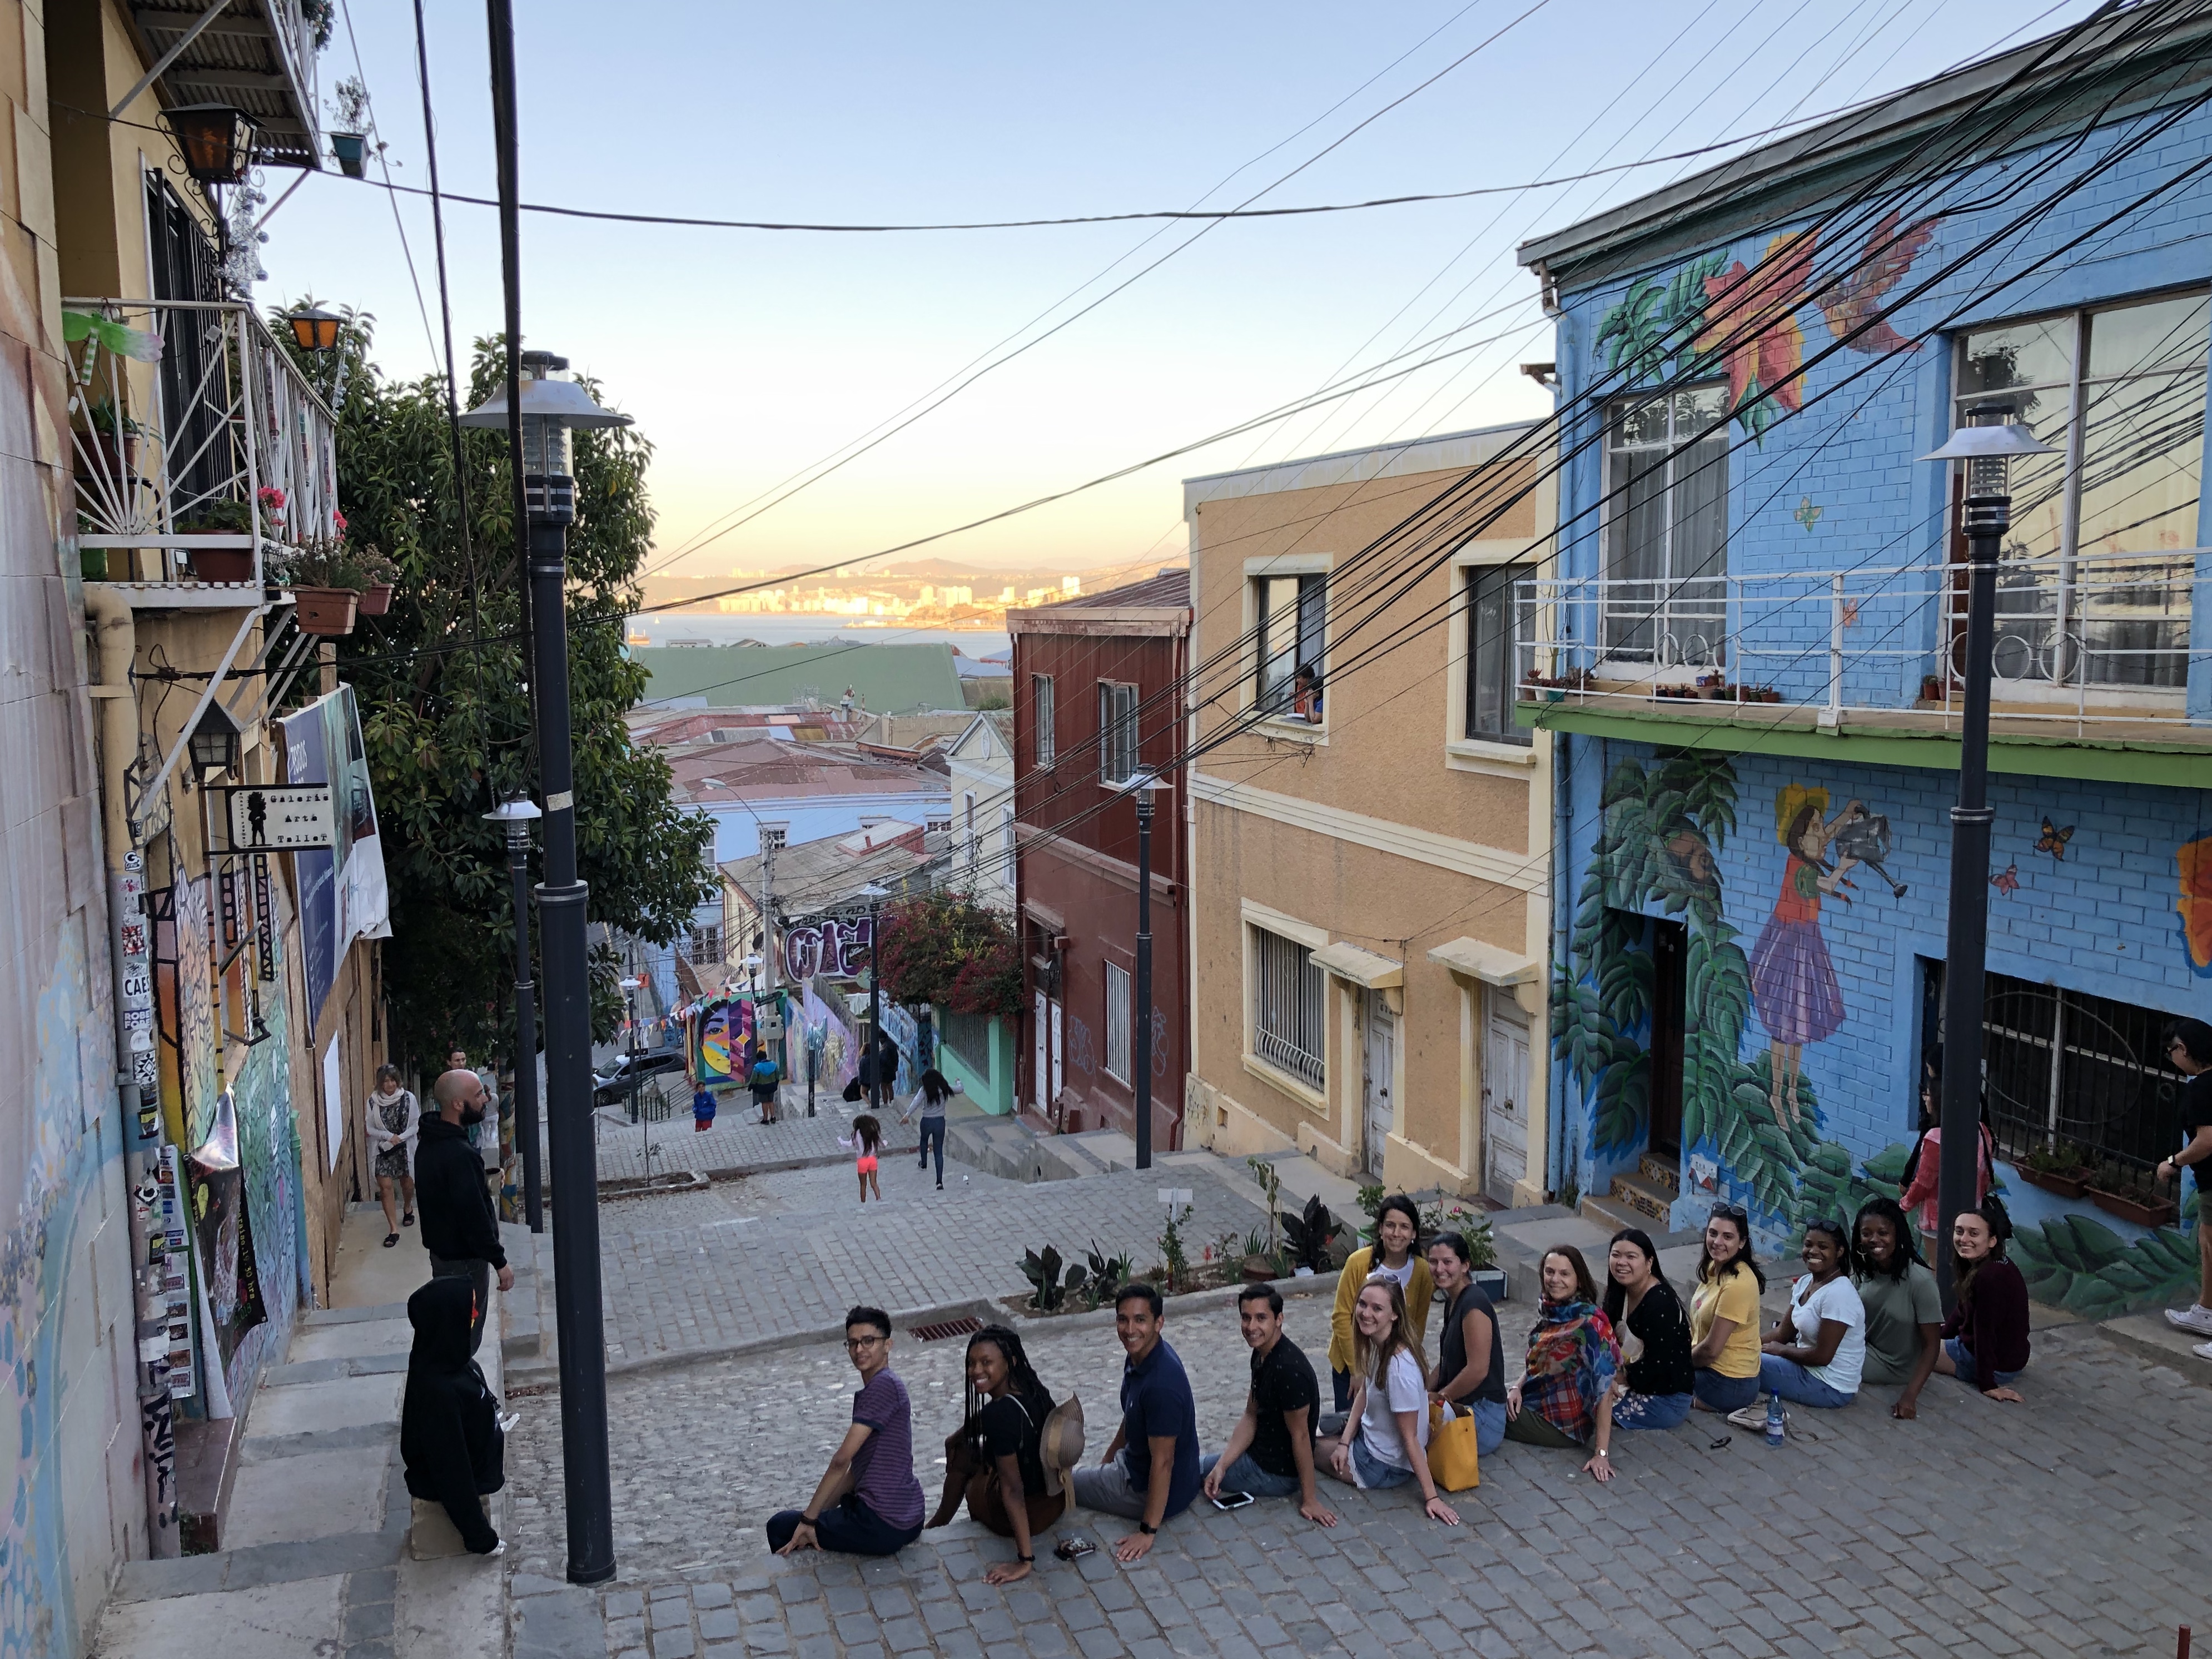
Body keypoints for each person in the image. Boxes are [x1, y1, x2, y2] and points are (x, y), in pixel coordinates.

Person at [768, 1307, 927, 1556]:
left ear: (888, 1345)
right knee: (806, 1522)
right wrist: (816, 1516)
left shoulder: (883, 1385)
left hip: (882, 1523)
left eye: (868, 1341)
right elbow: (857, 1472)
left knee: (779, 1526)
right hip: (909, 1515)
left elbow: (842, 1460)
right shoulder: (885, 1385)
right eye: (853, 1343)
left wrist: (808, 1521)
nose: (859, 1350)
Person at [1749, 793, 1865, 1126]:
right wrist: (1845, 864)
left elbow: (1824, 836)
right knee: (1783, 1024)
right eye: (1814, 827)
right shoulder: (1800, 869)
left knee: (1799, 1024)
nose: (1823, 835)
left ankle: (1791, 1093)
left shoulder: (1806, 853)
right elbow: (1826, 884)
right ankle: (1776, 1092)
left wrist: (1845, 814)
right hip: (1788, 943)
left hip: (1806, 943)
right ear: (1800, 838)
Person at [1316, 1274, 1459, 1524]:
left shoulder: (1398, 1370)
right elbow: (1365, 1392)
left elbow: (1411, 1437)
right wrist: (1345, 1442)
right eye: (1363, 1304)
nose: (1366, 1313)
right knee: (1314, 1430)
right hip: (1370, 1439)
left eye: (1377, 1308)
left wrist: (1432, 1497)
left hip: (1382, 1464)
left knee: (1303, 1445)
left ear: (1394, 1315)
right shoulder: (1381, 1343)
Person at [1073, 1283, 1200, 1561]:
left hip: (1145, 1488)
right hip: (1164, 1473)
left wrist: (1147, 1530)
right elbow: (1132, 1418)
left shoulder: (1161, 1385)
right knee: (1091, 1474)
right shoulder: (1141, 1356)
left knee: (1065, 1485)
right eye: (1123, 1319)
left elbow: (1163, 1462)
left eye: (1140, 1320)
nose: (1130, 1330)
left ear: (1159, 1323)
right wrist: (1107, 1461)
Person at [926, 1325, 1062, 1581]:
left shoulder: (999, 1416)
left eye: (986, 1362)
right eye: (972, 1363)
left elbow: (1013, 1489)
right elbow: (994, 1416)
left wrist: (1025, 1561)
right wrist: (960, 1435)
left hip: (1032, 1516)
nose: (977, 1371)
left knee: (965, 1460)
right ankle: (939, 1522)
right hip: (1054, 1502)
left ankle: (938, 1524)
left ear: (1009, 1362)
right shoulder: (1033, 1390)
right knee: (966, 1447)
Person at [1199, 1285, 1335, 1527]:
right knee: (1206, 1466)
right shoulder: (1262, 1353)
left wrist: (1310, 1499)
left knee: (1189, 1468)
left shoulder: (1288, 1370)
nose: (1251, 1327)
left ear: (1279, 1319)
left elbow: (1302, 1437)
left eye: (1261, 1318)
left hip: (1275, 1474)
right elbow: (1251, 1416)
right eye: (1246, 1318)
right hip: (1258, 1455)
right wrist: (1222, 1465)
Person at [399, 1275, 506, 1557]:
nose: (475, 1315)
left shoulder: (444, 1355)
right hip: (459, 1480)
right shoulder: (438, 1392)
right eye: (469, 1309)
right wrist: (482, 1537)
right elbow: (451, 1471)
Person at [1503, 1247, 1621, 1484]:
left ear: (1579, 1280)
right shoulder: (1553, 1310)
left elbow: (1605, 1389)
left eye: (1564, 1274)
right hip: (1535, 1397)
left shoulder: (1589, 1325)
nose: (1555, 1280)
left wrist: (1601, 1454)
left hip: (1561, 1422)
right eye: (1550, 1272)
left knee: (1480, 1409)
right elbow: (1540, 1363)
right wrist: (1517, 1387)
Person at [416, 1069, 513, 1355]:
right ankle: (462, 1393)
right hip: (464, 1263)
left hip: (443, 1257)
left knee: (454, 1331)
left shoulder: (430, 1142)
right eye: (478, 1095)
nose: (486, 1099)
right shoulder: (459, 1154)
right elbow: (474, 1216)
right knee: (465, 1338)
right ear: (458, 1105)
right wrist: (499, 1261)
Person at [1326, 1195, 1431, 1418]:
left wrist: (1409, 1363)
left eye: (1404, 1227)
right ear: (1381, 1229)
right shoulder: (1358, 1262)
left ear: (1414, 1234)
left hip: (1393, 1366)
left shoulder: (1422, 1271)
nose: (1396, 1233)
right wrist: (1357, 1369)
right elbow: (1342, 1316)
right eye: (1390, 1225)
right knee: (1348, 1425)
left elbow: (1417, 1324)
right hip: (1352, 1364)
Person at [1754, 1218, 1865, 1417]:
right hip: (1807, 1369)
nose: (1813, 1251)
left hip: (1830, 1386)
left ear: (1839, 1252)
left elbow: (1823, 1357)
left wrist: (1782, 1351)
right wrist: (1745, 1344)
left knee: (1738, 1362)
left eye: (1823, 1247)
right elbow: (1783, 1333)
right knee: (1736, 1353)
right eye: (1809, 1245)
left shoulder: (1839, 1294)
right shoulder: (1806, 1282)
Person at [1853, 1197, 1942, 1418]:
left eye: (1883, 1233)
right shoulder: (1863, 1270)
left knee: (1820, 1357)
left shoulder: (1920, 1282)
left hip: (1893, 1364)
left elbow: (1932, 1346)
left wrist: (1909, 1397)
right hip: (1861, 1346)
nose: (1874, 1240)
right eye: (1867, 1233)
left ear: (1897, 1235)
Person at [1601, 1228, 1695, 1433]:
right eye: (1616, 1255)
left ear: (1649, 1263)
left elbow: (1659, 1366)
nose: (1621, 1263)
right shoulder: (1619, 1292)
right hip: (1627, 1380)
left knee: (1591, 1409)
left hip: (1664, 1398)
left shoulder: (1660, 1303)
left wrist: (1613, 1378)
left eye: (1631, 1257)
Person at [1935, 1198, 2029, 1403]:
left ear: (1992, 1240)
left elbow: (1984, 1332)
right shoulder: (1991, 1263)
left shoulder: (1989, 1277)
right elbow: (1963, 1311)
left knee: (1909, 1347)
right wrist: (1941, 1334)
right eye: (1959, 1231)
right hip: (2008, 1358)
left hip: (1995, 1366)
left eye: (1974, 1233)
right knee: (1925, 1333)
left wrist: (1988, 1386)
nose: (1964, 1238)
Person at [1425, 1233, 1508, 1455]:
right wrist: (1422, 1392)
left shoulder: (1474, 1304)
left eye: (1447, 1262)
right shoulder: (1453, 1301)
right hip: (1462, 1405)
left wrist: (1440, 1399)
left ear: (1465, 1265)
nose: (1439, 1269)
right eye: (1433, 1262)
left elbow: (1477, 1370)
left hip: (1483, 1416)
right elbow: (1446, 1363)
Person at [2157, 1018, 2212, 1351]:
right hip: (2209, 1184)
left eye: (2171, 1051)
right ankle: (2206, 1311)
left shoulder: (2202, 1088)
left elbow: (2207, 1141)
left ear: (2184, 1049)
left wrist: (2173, 1162)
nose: (2172, 1058)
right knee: (2207, 1244)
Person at [1898, 1088, 1994, 1266]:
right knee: (1964, 1266)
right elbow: (1986, 1175)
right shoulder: (1981, 1130)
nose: (1925, 1099)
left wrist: (1904, 1206)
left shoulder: (1936, 1138)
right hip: (1973, 1213)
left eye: (1928, 1094)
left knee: (1938, 1266)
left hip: (1937, 1217)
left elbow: (1923, 1182)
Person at [1689, 1204, 1766, 1414]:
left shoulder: (1737, 1285)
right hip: (1708, 1368)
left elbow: (1710, 1351)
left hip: (1728, 1383)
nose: (1717, 1242)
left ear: (1742, 1243)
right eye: (1713, 1234)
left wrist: (1677, 1364)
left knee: (1653, 1377)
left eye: (1728, 1237)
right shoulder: (1713, 1267)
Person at [365, 1064, 420, 1249]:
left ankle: (407, 1206)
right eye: (385, 1081)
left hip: (403, 1148)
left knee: (407, 1183)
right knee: (386, 1187)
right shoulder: (372, 1102)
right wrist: (388, 1137)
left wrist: (400, 1138)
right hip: (382, 1149)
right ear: (380, 1084)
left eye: (392, 1080)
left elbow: (415, 1125)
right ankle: (393, 1229)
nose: (389, 1084)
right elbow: (370, 1128)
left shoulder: (408, 1099)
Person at [901, 1067, 961, 1191]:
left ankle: (924, 1163)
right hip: (940, 1122)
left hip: (927, 1121)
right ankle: (939, 1182)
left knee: (924, 1141)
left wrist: (907, 1115)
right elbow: (960, 1089)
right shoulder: (944, 1088)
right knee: (938, 1152)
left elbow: (916, 1102)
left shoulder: (924, 1090)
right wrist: (959, 1082)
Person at [448, 1047, 502, 1175]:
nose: (461, 1063)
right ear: (449, 1062)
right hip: (454, 1133)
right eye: (457, 1060)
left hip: (474, 1132)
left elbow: (483, 1102)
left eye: (463, 1059)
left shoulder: (475, 1078)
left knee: (474, 1166)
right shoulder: (446, 1082)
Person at [839, 1114, 884, 1204]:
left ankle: (863, 1202)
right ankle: (879, 1199)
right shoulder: (872, 1132)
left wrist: (840, 1140)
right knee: (874, 1183)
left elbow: (849, 1144)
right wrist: (886, 1143)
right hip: (872, 1160)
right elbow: (882, 1144)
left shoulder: (856, 1134)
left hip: (862, 1161)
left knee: (863, 1185)